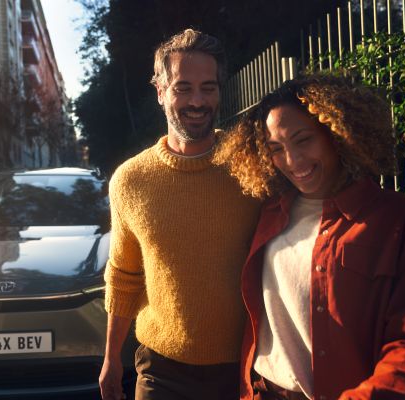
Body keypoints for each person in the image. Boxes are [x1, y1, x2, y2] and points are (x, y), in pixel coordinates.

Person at [215, 73, 405, 399]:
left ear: (335, 131)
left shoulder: (393, 218)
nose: (293, 160)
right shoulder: (270, 212)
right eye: (276, 148)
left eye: (303, 139)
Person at [99, 28, 261, 400]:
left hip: (245, 368)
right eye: (183, 87)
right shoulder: (130, 180)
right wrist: (111, 357)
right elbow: (123, 274)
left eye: (208, 87)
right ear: (160, 91)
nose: (198, 100)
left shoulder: (250, 166)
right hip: (161, 372)